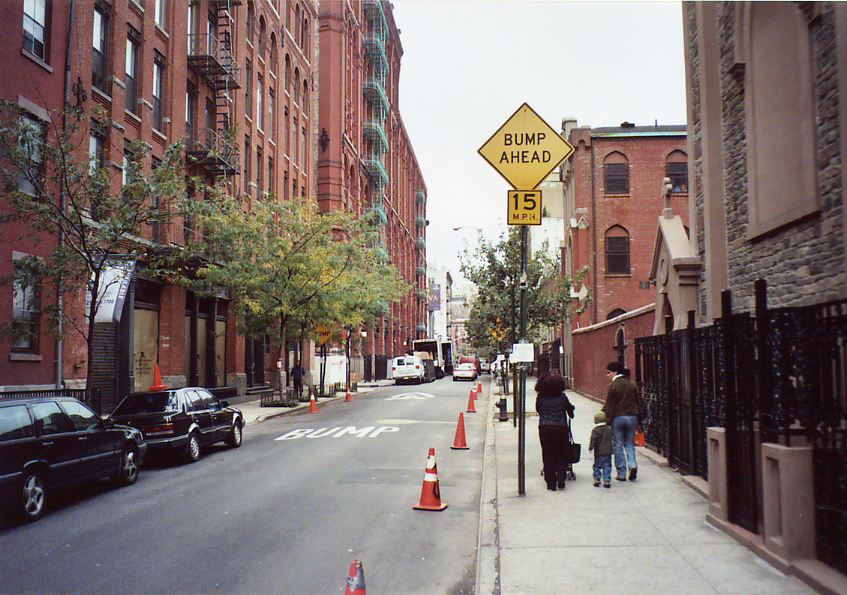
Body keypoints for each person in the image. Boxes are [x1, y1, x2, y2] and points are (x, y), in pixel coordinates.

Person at [534, 369, 575, 491]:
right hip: (560, 427)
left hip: (545, 427)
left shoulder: (540, 397)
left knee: (547, 454)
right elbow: (570, 412)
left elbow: (538, 410)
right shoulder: (562, 397)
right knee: (561, 452)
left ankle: (550, 482)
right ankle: (561, 476)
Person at [602, 361, 641, 481]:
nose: (607, 375)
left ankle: (621, 472)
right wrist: (639, 418)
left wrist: (606, 420)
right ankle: (632, 464)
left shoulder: (612, 386)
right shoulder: (631, 384)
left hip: (618, 418)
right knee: (629, 443)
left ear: (615, 372)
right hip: (632, 416)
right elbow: (638, 401)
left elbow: (610, 405)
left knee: (617, 444)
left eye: (609, 372)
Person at [589, 410, 613, 488]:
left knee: (597, 465)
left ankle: (597, 478)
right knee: (607, 465)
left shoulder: (595, 430)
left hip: (598, 452)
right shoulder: (609, 429)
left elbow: (593, 439)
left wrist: (591, 447)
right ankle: (606, 479)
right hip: (608, 452)